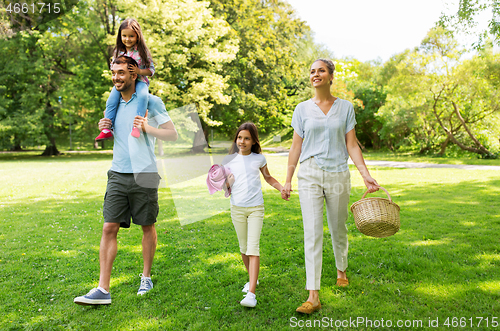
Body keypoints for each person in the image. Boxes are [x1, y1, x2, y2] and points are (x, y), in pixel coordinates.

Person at [74, 55, 178, 305]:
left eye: (121, 73)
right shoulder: (113, 104)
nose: (116, 77)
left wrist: (147, 128)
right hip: (118, 173)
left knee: (147, 226)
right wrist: (105, 125)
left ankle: (146, 277)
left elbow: (172, 135)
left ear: (134, 74)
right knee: (109, 227)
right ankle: (103, 288)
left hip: (145, 173)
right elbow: (117, 134)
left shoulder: (151, 102)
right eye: (114, 73)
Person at [282, 59, 379, 314]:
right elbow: (295, 147)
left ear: (331, 76)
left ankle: (341, 269)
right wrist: (288, 179)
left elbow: (352, 144)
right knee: (312, 231)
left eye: (321, 70)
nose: (316, 74)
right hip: (310, 174)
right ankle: (313, 295)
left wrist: (365, 175)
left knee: (338, 226)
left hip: (338, 173)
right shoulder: (301, 109)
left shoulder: (345, 108)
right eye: (312, 71)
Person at [222, 122, 285, 308]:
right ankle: (253, 279)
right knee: (243, 248)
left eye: (247, 138)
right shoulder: (229, 160)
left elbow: (268, 177)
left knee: (253, 248)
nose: (242, 141)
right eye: (240, 137)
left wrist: (281, 188)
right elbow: (223, 186)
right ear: (236, 139)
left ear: (253, 140)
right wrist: (228, 182)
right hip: (237, 209)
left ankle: (251, 294)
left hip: (256, 207)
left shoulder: (259, 159)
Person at [96, 18, 155, 141]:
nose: (127, 39)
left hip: (139, 81)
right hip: (123, 82)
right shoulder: (118, 51)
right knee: (111, 100)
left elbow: (151, 71)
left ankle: (137, 126)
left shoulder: (142, 52)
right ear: (120, 36)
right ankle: (107, 128)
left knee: (143, 96)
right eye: (124, 36)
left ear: (137, 36)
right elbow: (114, 66)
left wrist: (139, 71)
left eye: (131, 36)